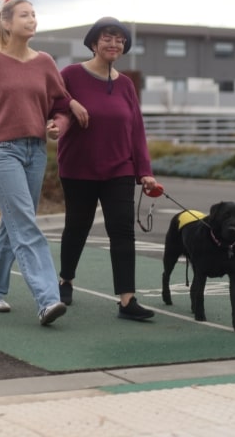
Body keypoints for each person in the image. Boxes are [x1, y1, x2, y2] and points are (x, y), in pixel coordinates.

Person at [0, 0, 86, 326]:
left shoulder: (45, 62)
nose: (32, 19)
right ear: (7, 24)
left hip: (36, 151)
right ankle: (48, 298)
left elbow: (60, 103)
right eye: (25, 15)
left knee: (12, 223)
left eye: (34, 14)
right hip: (3, 151)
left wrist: (60, 124)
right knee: (25, 223)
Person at [55, 17, 158, 321]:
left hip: (119, 169)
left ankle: (127, 300)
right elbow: (54, 101)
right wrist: (71, 104)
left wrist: (145, 171)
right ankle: (66, 280)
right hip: (78, 167)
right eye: (108, 38)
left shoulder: (126, 84)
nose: (114, 44)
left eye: (120, 40)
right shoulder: (71, 75)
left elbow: (136, 130)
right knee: (77, 227)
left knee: (122, 231)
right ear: (94, 43)